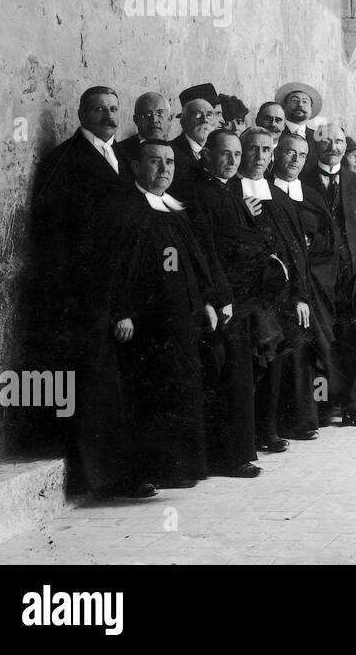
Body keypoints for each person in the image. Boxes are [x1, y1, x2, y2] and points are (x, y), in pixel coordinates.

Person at [31, 86, 142, 498]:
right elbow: (65, 242)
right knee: (94, 387)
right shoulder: (65, 161)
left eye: (114, 108)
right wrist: (111, 306)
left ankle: (127, 471)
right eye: (99, 109)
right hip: (85, 294)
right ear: (81, 113)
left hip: (122, 288)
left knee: (121, 386)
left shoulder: (124, 159)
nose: (109, 116)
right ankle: (100, 480)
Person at [109, 140, 222, 490]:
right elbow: (114, 266)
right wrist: (122, 312)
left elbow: (192, 261)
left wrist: (205, 300)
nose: (164, 169)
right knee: (150, 395)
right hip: (147, 323)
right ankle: (148, 472)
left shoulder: (174, 207)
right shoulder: (126, 208)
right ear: (137, 167)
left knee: (182, 390)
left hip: (182, 318)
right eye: (155, 162)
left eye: (170, 162)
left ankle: (179, 469)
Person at [183, 129, 269, 473]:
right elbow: (205, 249)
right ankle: (229, 458)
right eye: (224, 154)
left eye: (237, 155)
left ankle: (236, 453)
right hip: (222, 297)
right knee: (227, 376)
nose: (233, 161)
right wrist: (220, 297)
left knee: (239, 375)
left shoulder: (229, 188)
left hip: (240, 295)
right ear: (206, 155)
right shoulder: (198, 192)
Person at [302, 124, 356, 423]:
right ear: (316, 147)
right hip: (318, 276)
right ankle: (325, 406)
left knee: (354, 341)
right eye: (326, 142)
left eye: (339, 142)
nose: (333, 148)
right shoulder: (302, 181)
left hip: (354, 275)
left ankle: (354, 406)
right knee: (322, 341)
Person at [235, 128, 313, 451]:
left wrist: (300, 296)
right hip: (246, 297)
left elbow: (296, 253)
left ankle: (269, 428)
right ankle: (247, 434)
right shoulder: (231, 194)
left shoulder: (279, 198)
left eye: (266, 150)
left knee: (277, 362)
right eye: (252, 149)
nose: (260, 156)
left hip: (280, 297)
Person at [271, 130, 335, 435]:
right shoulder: (266, 192)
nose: (294, 160)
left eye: (301, 155)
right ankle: (291, 419)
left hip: (314, 282)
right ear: (276, 154)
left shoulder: (311, 194)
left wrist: (312, 244)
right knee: (291, 350)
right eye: (289, 152)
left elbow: (329, 236)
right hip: (283, 284)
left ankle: (317, 412)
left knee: (315, 350)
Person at [169, 82, 219, 199]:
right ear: (183, 121)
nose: (205, 120)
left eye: (209, 115)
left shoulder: (219, 150)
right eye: (197, 115)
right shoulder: (170, 152)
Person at [275, 81, 322, 178]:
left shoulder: (318, 138)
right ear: (284, 106)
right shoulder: (275, 133)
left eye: (305, 101)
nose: (300, 105)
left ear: (311, 109)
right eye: (295, 100)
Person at [115, 91, 173, 164]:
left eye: (160, 114)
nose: (154, 120)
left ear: (169, 118)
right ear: (136, 120)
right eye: (146, 114)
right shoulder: (119, 151)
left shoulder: (178, 151)